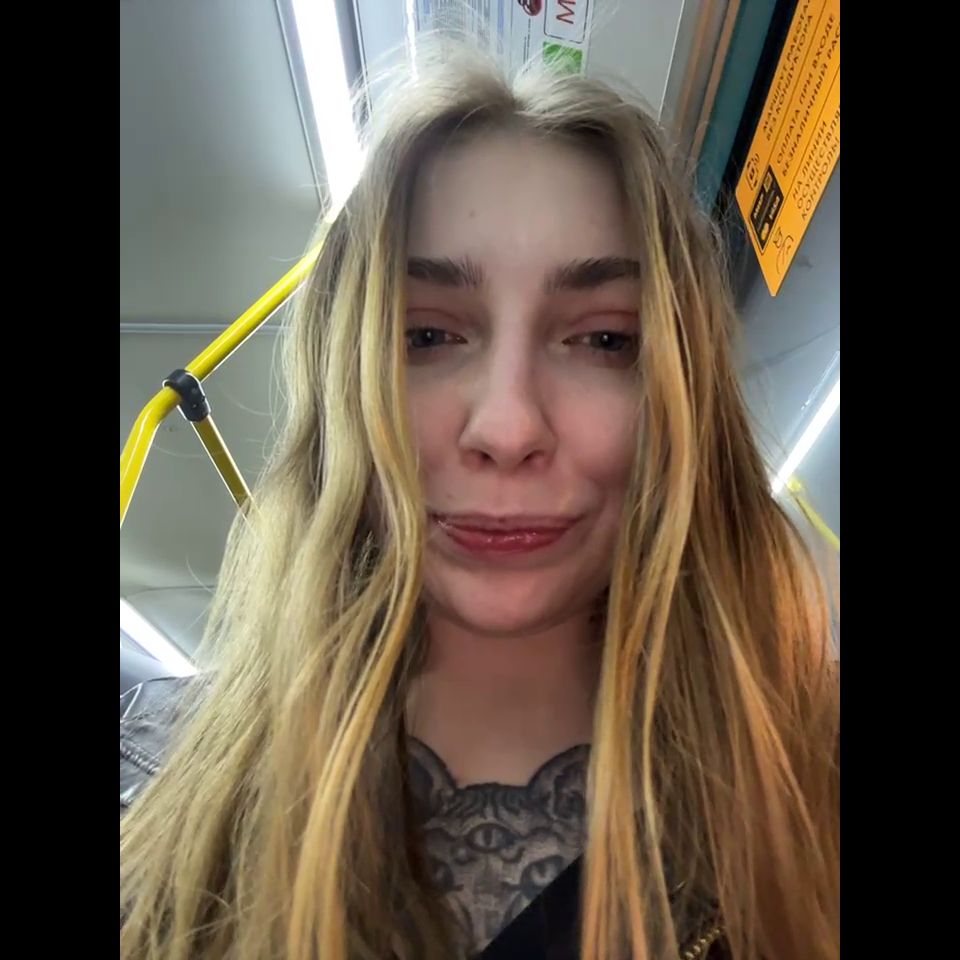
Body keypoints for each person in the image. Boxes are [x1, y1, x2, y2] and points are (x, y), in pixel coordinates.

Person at [120, 46, 839, 960]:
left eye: (605, 340)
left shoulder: (810, 792)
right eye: (426, 335)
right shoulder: (160, 806)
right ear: (346, 386)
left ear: (681, 397)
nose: (507, 426)